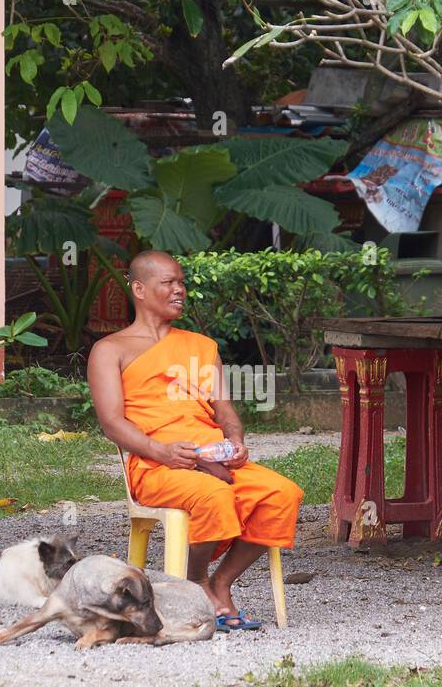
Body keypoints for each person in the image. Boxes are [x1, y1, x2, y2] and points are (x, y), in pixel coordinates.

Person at [87, 250, 303, 630]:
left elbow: (224, 410)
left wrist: (234, 440)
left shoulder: (202, 347)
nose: (179, 290)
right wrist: (162, 451)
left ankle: (221, 581)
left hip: (213, 459)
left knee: (281, 494)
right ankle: (197, 579)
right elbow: (112, 423)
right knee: (214, 496)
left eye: (181, 282)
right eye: (168, 282)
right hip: (156, 464)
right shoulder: (111, 350)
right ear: (139, 288)